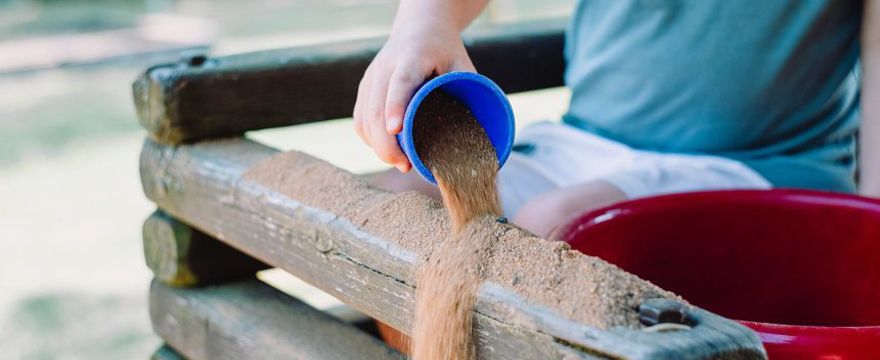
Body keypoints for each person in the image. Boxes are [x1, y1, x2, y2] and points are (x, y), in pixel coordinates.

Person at [354, 0, 880, 238]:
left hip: (758, 162)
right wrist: (424, 20)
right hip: (585, 140)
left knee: (556, 224)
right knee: (399, 208)